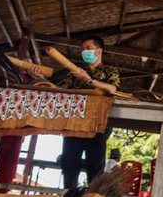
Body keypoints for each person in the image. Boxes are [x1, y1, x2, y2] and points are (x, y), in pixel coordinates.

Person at [30, 35, 120, 189]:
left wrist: (89, 80)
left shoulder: (109, 71)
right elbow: (59, 90)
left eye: (88, 48)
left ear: (99, 51)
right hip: (74, 124)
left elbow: (112, 89)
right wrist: (42, 78)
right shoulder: (75, 72)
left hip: (97, 125)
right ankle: (69, 193)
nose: (84, 52)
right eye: (83, 49)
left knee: (95, 167)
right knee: (69, 164)